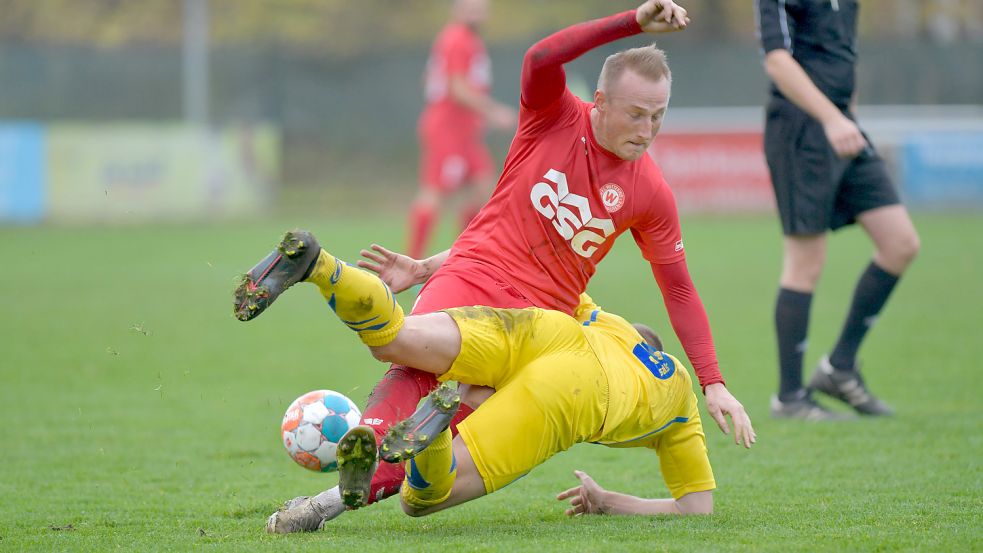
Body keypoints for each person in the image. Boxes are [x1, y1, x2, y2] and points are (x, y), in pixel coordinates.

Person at [240, 0, 754, 532]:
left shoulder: (650, 192)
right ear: (599, 101)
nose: (647, 130)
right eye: (635, 113)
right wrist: (630, 22)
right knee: (428, 382)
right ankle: (332, 494)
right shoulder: (554, 115)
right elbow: (540, 57)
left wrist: (714, 381)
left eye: (658, 116)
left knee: (418, 370)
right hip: (477, 280)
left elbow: (680, 291)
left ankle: (326, 291)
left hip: (540, 323)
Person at [234, 231, 752, 526]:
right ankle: (431, 438)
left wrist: (424, 267)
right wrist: (606, 501)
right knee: (422, 500)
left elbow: (518, 252)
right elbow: (695, 508)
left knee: (396, 340)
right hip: (575, 391)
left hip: (551, 330)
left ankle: (322, 266)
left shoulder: (607, 321)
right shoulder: (679, 404)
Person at [756, 0, 920, 420]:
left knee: (900, 243)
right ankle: (790, 397)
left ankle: (839, 369)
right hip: (801, 130)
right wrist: (832, 118)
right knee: (805, 260)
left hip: (844, 125)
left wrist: (847, 116)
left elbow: (842, 55)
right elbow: (777, 61)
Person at [409, 0, 517, 260]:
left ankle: (462, 260)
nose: (476, 12)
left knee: (484, 192)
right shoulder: (457, 38)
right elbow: (457, 89)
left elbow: (436, 79)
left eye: (480, 6)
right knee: (434, 193)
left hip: (466, 132)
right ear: (456, 8)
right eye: (470, 6)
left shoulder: (467, 40)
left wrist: (477, 116)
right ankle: (412, 264)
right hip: (447, 130)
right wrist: (493, 112)